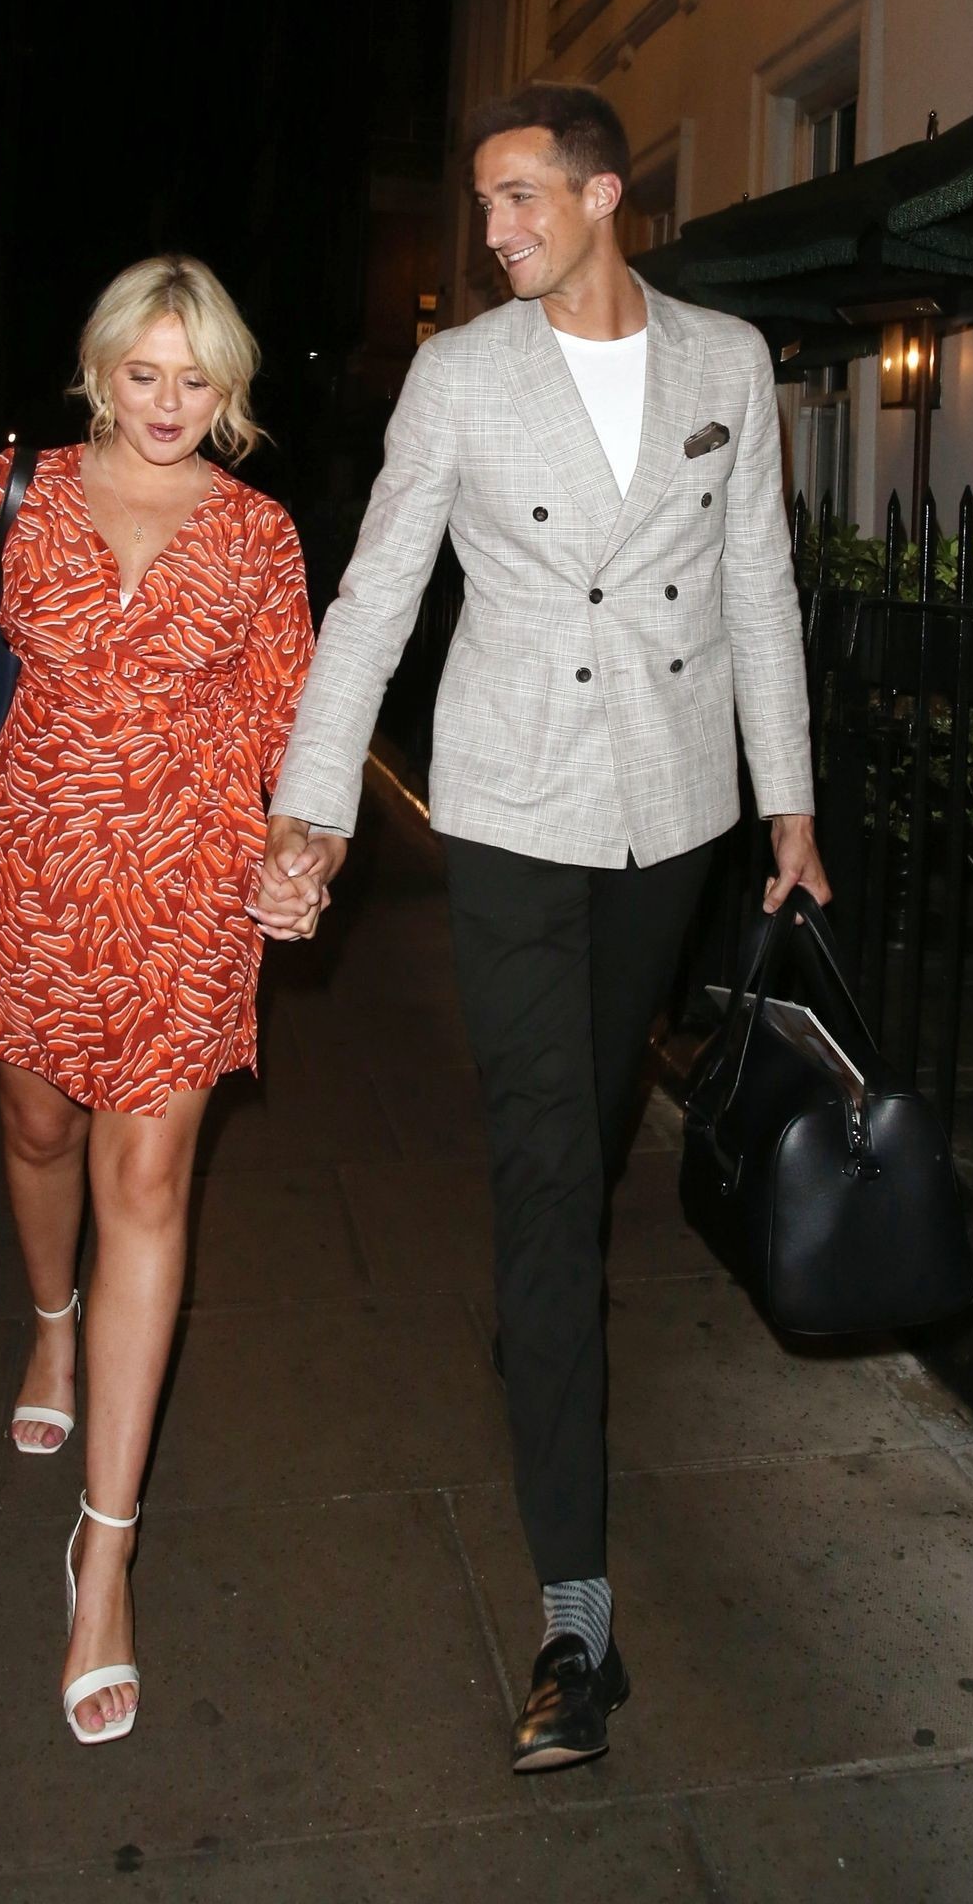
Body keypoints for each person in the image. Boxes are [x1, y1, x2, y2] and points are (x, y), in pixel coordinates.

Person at [253, 86, 830, 1773]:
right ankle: (576, 1622)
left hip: (673, 808)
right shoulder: (459, 375)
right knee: (542, 1166)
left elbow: (757, 583)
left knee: (583, 1126)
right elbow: (378, 588)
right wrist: (314, 805)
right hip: (511, 801)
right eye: (483, 202)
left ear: (600, 194)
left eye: (518, 198)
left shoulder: (725, 361)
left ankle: (542, 1300)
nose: (492, 229)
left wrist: (788, 802)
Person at [0, 254, 314, 1745]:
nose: (168, 404)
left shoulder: (259, 534)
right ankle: (51, 1324)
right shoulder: (17, 492)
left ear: (230, 388)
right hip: (29, 864)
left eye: (197, 380)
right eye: (144, 374)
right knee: (39, 1132)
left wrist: (297, 857)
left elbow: (289, 729)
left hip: (190, 885)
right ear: (100, 370)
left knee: (147, 1179)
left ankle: (107, 1554)